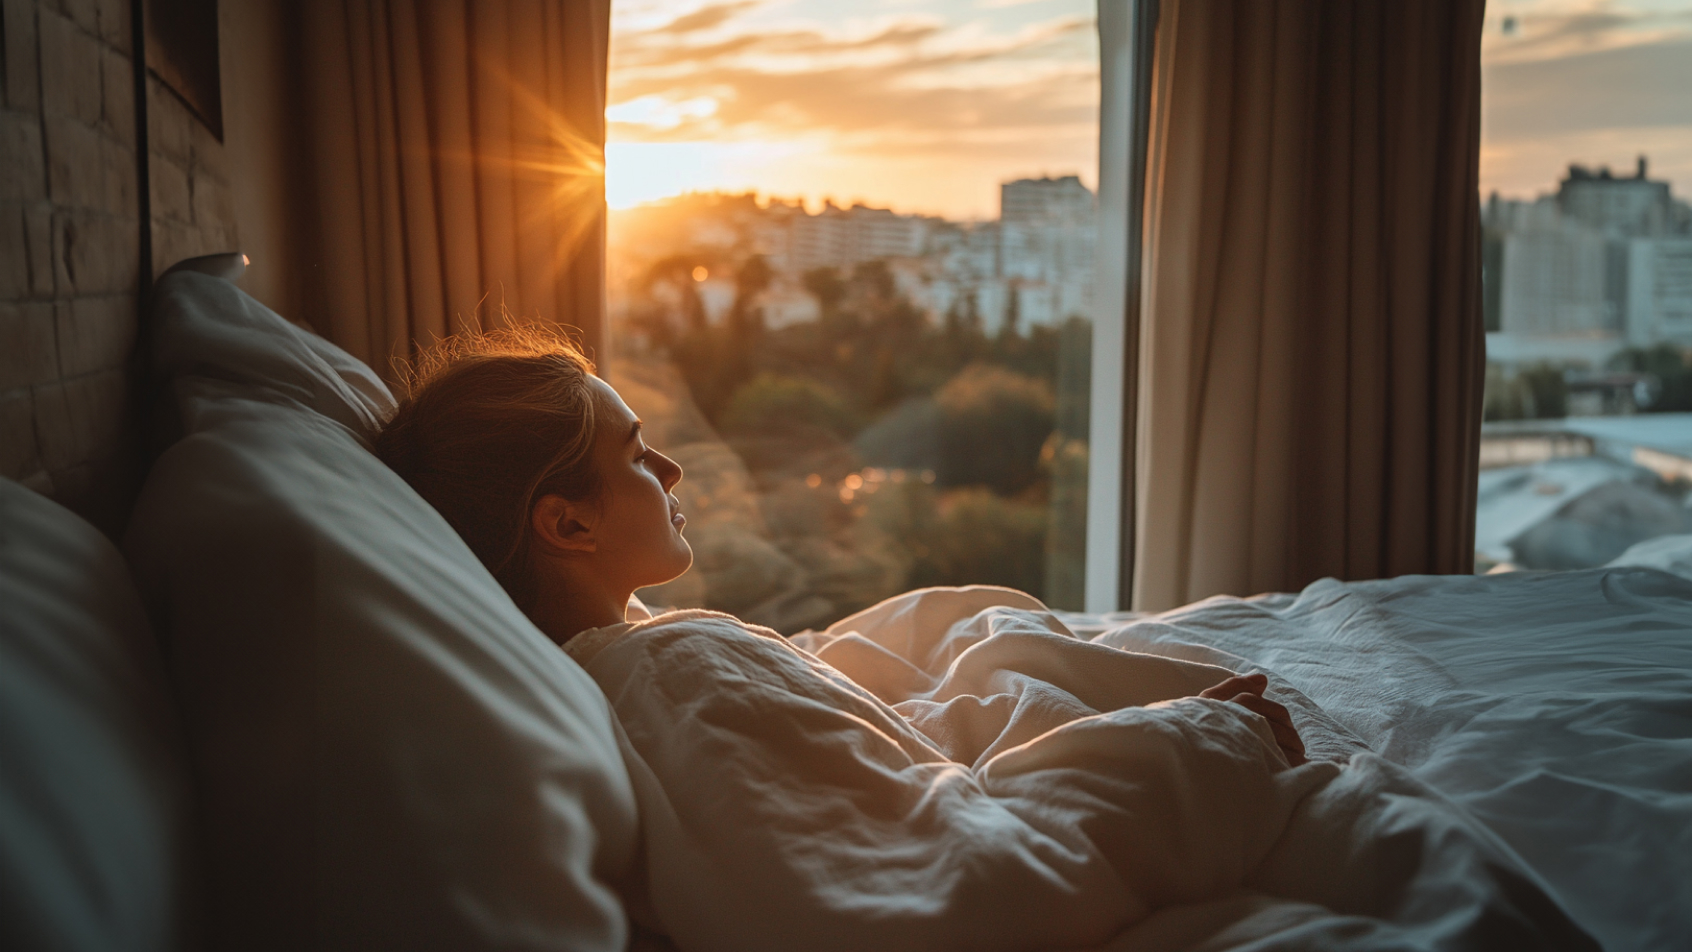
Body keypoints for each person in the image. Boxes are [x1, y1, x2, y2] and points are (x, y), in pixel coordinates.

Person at [375, 329, 1306, 766]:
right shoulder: (667, 676)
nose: (672, 469)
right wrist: (1195, 747)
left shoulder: (631, 643)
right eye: (634, 455)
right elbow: (933, 851)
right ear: (567, 523)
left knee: (980, 630)